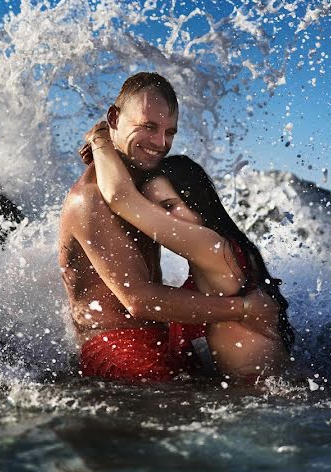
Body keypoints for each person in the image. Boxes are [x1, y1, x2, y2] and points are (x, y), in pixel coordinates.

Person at [58, 72, 278, 383]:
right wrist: (241, 308)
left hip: (162, 334)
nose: (161, 143)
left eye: (169, 132)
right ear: (113, 118)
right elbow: (137, 300)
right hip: (117, 347)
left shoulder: (144, 186)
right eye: (148, 126)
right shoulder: (90, 200)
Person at [88, 126, 295, 379]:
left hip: (262, 401)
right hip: (265, 393)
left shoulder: (211, 246)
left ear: (198, 203)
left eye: (169, 206)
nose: (159, 219)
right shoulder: (228, 250)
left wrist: (100, 139)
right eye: (152, 208)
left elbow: (120, 197)